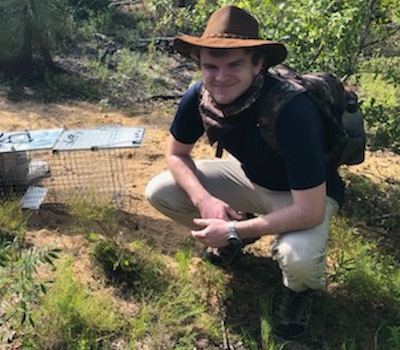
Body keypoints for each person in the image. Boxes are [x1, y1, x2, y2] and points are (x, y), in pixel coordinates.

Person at [144, 5, 344, 340]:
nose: (220, 77)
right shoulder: (200, 95)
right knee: (161, 191)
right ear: (200, 66)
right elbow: (176, 154)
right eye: (211, 66)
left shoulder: (292, 109)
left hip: (307, 196)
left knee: (300, 259)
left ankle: (298, 292)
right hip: (250, 178)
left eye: (234, 64)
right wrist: (206, 200)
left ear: (258, 63)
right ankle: (243, 231)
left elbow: (308, 211)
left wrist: (233, 229)